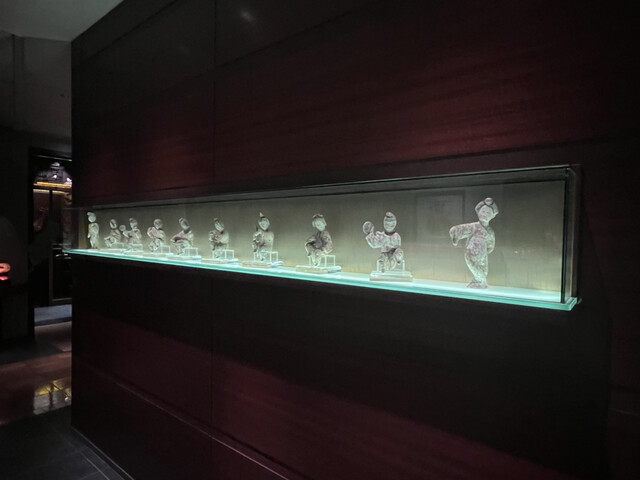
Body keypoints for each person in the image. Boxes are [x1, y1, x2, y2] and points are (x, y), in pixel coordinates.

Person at [449, 197, 499, 288]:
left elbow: (491, 244)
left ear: (493, 216)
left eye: (488, 213)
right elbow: (460, 229)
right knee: (472, 263)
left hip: (483, 254)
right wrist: (455, 232)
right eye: (483, 212)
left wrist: (486, 250)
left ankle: (480, 280)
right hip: (471, 252)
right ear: (478, 212)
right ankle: (480, 280)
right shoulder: (474, 226)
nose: (485, 214)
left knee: (483, 268)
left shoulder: (490, 231)